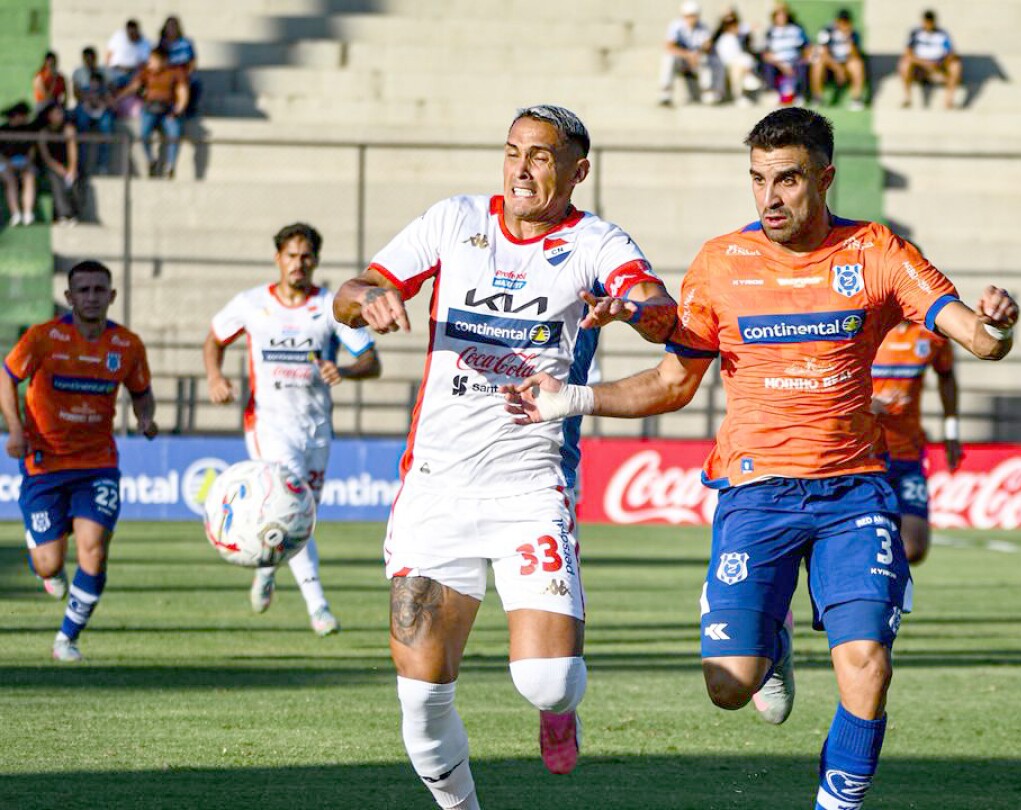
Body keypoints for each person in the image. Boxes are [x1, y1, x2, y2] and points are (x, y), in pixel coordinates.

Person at [505, 107, 1019, 810]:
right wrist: (573, 399)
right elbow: (674, 383)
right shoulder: (721, 263)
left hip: (854, 493)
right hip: (756, 493)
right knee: (730, 686)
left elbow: (979, 341)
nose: (770, 197)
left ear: (824, 179)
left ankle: (836, 803)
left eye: (787, 180)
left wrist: (997, 325)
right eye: (757, 179)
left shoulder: (877, 252)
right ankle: (771, 637)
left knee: (867, 665)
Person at [332, 104, 677, 810]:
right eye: (514, 151)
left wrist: (631, 310)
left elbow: (658, 307)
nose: (522, 168)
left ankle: (559, 710)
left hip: (530, 486)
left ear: (578, 171)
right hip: (436, 487)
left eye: (542, 156)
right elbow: (349, 293)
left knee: (548, 682)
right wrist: (369, 302)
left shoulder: (594, 241)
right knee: (421, 697)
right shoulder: (455, 221)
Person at [204, 223, 381, 636]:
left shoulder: (331, 307)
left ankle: (265, 567)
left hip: (315, 427)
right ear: (278, 259)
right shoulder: (251, 304)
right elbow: (214, 340)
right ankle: (319, 607)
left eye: (305, 256)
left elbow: (371, 361)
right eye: (291, 255)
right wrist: (215, 377)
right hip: (269, 423)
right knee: (293, 504)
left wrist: (345, 370)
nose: (298, 263)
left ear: (315, 261)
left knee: (304, 517)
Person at [0, 260, 157, 661]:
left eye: (99, 290)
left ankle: (66, 639)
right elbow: (6, 377)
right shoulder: (43, 337)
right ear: (69, 297)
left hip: (96, 464)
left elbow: (142, 392)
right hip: (44, 464)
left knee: (94, 550)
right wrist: (15, 429)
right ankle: (46, 558)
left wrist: (145, 418)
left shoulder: (126, 346)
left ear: (112, 296)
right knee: (49, 564)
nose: (91, 297)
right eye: (83, 290)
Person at [871, 322, 962, 565]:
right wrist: (864, 404)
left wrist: (951, 432)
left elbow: (946, 375)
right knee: (864, 540)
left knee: (914, 548)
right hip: (864, 457)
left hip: (907, 453)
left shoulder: (931, 333)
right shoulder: (867, 324)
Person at [122, 47, 189, 178]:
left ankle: (170, 165)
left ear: (163, 60)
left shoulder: (175, 72)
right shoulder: (146, 72)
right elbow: (134, 87)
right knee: (144, 134)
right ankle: (151, 160)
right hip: (150, 108)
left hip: (168, 109)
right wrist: (118, 98)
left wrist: (178, 110)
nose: (150, 63)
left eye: (153, 60)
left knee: (174, 134)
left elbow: (182, 92)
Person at [899, 9, 963, 110]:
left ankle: (949, 100)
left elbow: (951, 53)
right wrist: (924, 63)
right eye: (926, 22)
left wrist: (939, 63)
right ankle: (907, 98)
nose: (928, 25)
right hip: (920, 66)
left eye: (930, 22)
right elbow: (908, 53)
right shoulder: (915, 33)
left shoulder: (942, 34)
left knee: (956, 66)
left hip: (938, 65)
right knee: (904, 64)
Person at [660, 1, 719, 106]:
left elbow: (707, 47)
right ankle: (666, 93)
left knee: (708, 59)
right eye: (688, 16)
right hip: (681, 61)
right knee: (669, 58)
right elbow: (669, 47)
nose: (691, 19)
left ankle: (707, 91)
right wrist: (688, 55)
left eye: (694, 16)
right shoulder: (676, 26)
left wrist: (703, 50)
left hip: (696, 61)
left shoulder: (703, 27)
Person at [811, 8, 867, 111]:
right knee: (817, 64)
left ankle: (856, 99)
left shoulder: (853, 34)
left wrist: (849, 39)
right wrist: (838, 69)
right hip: (830, 63)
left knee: (857, 64)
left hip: (846, 62)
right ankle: (817, 98)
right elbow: (824, 54)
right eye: (841, 21)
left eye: (846, 21)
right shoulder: (827, 31)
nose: (843, 24)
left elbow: (855, 55)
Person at [35, 103, 82, 226]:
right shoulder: (43, 132)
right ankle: (63, 215)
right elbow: (46, 157)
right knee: (55, 180)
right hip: (51, 166)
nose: (60, 116)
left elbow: (72, 150)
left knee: (75, 181)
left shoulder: (68, 129)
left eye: (60, 113)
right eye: (56, 113)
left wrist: (72, 169)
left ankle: (74, 213)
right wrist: (59, 169)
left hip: (67, 165)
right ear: (49, 116)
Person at [73, 47, 117, 175]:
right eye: (86, 59)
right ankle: (81, 164)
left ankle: (102, 165)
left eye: (91, 59)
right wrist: (89, 99)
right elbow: (77, 93)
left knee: (106, 126)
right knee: (81, 125)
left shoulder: (105, 72)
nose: (89, 62)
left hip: (102, 108)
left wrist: (101, 101)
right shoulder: (78, 73)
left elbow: (112, 92)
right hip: (85, 107)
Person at [762, 4, 809, 105]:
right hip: (777, 63)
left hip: (794, 61)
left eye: (783, 15)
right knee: (768, 66)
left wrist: (804, 58)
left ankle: (800, 95)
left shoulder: (796, 30)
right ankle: (773, 93)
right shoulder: (770, 32)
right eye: (778, 15)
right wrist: (782, 66)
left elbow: (806, 46)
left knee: (802, 65)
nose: (781, 18)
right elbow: (766, 53)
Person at [712, 8, 761, 106]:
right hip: (729, 65)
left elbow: (745, 29)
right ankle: (738, 97)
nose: (737, 28)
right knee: (738, 69)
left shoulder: (735, 37)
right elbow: (728, 59)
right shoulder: (724, 39)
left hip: (740, 64)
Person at [1, 101, 38, 227]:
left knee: (29, 177)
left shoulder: (29, 129)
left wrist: (27, 162)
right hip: (5, 164)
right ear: (17, 116)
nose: (26, 118)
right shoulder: (3, 130)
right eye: (24, 115)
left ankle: (27, 213)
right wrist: (8, 164)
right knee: (10, 180)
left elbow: (32, 151)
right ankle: (15, 214)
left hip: (24, 163)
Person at [103, 19, 151, 90]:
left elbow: (144, 63)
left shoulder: (145, 43)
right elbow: (109, 53)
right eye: (129, 33)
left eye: (133, 33)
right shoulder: (118, 36)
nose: (131, 35)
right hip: (115, 71)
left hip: (133, 73)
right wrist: (107, 69)